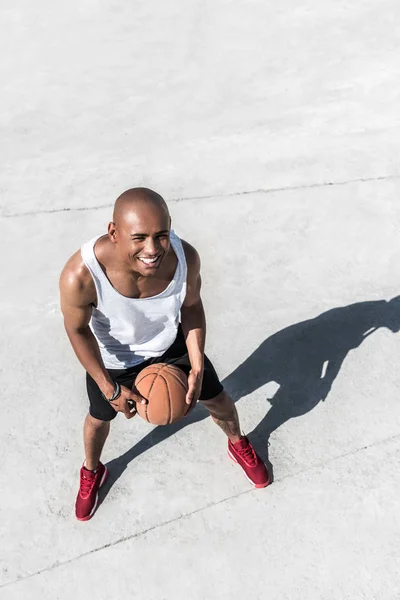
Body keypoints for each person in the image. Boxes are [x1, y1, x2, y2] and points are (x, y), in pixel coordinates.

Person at [60, 188, 269, 521]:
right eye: (139, 238)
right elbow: (77, 330)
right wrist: (109, 388)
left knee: (221, 402)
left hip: (171, 347)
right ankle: (92, 470)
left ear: (170, 226)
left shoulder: (185, 259)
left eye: (161, 236)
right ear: (114, 233)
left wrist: (197, 365)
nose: (152, 249)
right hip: (114, 361)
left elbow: (192, 306)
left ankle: (237, 442)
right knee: (98, 422)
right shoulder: (82, 276)